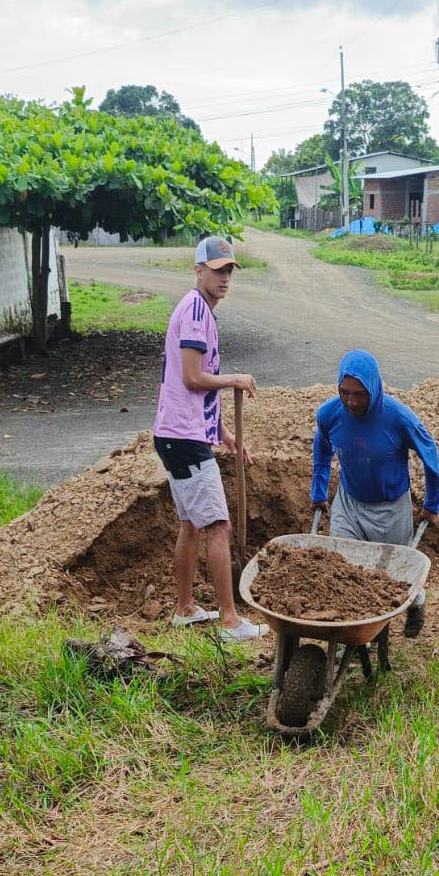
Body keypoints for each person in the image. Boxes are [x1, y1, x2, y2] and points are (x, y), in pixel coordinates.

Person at [153, 235, 265, 641]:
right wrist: (232, 379)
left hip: (176, 434)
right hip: (183, 439)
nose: (225, 278)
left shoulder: (198, 309)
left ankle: (185, 608)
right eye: (217, 270)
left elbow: (192, 392)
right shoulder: (196, 310)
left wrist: (223, 433)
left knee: (190, 525)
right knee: (218, 526)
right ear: (198, 270)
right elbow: (192, 378)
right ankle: (230, 621)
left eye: (229, 270)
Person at [311, 349, 439, 637]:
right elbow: (321, 451)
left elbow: (430, 455)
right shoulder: (330, 414)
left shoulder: (398, 418)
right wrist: (318, 492)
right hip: (349, 504)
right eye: (344, 392)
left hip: (390, 509)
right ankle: (358, 634)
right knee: (343, 569)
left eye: (359, 394)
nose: (351, 401)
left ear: (374, 388)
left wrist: (433, 503)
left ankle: (416, 601)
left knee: (394, 579)